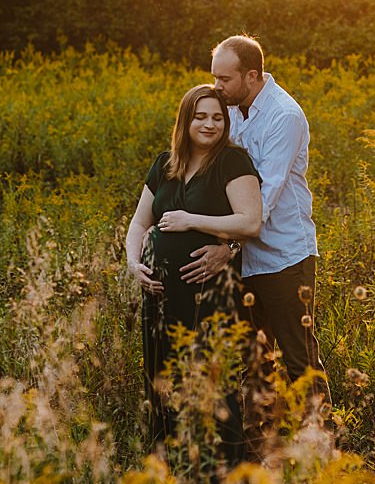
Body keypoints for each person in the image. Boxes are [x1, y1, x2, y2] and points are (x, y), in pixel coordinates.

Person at [182, 37, 328, 452]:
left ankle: (319, 452)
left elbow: (264, 198)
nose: (217, 86)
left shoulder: (284, 116)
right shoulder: (231, 108)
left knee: (298, 359)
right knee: (253, 359)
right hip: (244, 259)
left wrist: (224, 246)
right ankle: (258, 454)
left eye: (224, 78)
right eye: (214, 77)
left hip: (284, 256)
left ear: (252, 75)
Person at [124, 83, 262, 458]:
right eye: (200, 116)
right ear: (185, 120)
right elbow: (139, 224)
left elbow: (251, 222)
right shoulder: (164, 165)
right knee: (162, 377)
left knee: (214, 378)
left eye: (218, 117)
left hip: (209, 291)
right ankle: (171, 471)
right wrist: (135, 263)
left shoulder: (233, 162)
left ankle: (223, 481)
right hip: (159, 296)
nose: (209, 124)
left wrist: (190, 220)